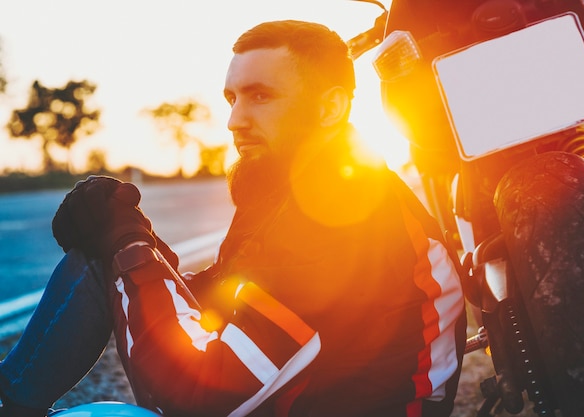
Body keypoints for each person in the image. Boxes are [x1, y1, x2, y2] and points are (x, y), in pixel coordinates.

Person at [0, 20, 466, 417]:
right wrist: (132, 247)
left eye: (260, 96)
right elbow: (222, 303)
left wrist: (129, 245)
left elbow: (195, 395)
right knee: (107, 259)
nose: (234, 121)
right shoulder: (294, 191)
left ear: (331, 108)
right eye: (232, 98)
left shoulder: (344, 214)